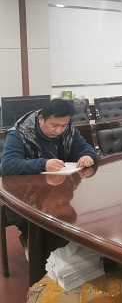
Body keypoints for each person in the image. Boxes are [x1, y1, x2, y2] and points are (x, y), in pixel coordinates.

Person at [1, 98, 98, 253]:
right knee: (39, 230)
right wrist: (43, 164)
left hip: (54, 186)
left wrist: (87, 155)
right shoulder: (19, 133)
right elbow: (8, 165)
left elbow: (85, 147)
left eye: (63, 125)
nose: (59, 130)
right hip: (22, 196)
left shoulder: (68, 129)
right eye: (54, 125)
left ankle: (64, 252)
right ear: (41, 119)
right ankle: (32, 244)